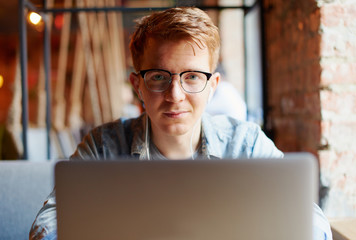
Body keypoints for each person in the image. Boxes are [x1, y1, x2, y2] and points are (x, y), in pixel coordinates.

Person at [29, 7, 332, 240]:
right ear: (138, 85)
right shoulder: (103, 146)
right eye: (159, 77)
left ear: (213, 85)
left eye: (192, 77)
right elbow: (46, 227)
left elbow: (315, 226)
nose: (175, 95)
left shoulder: (246, 143)